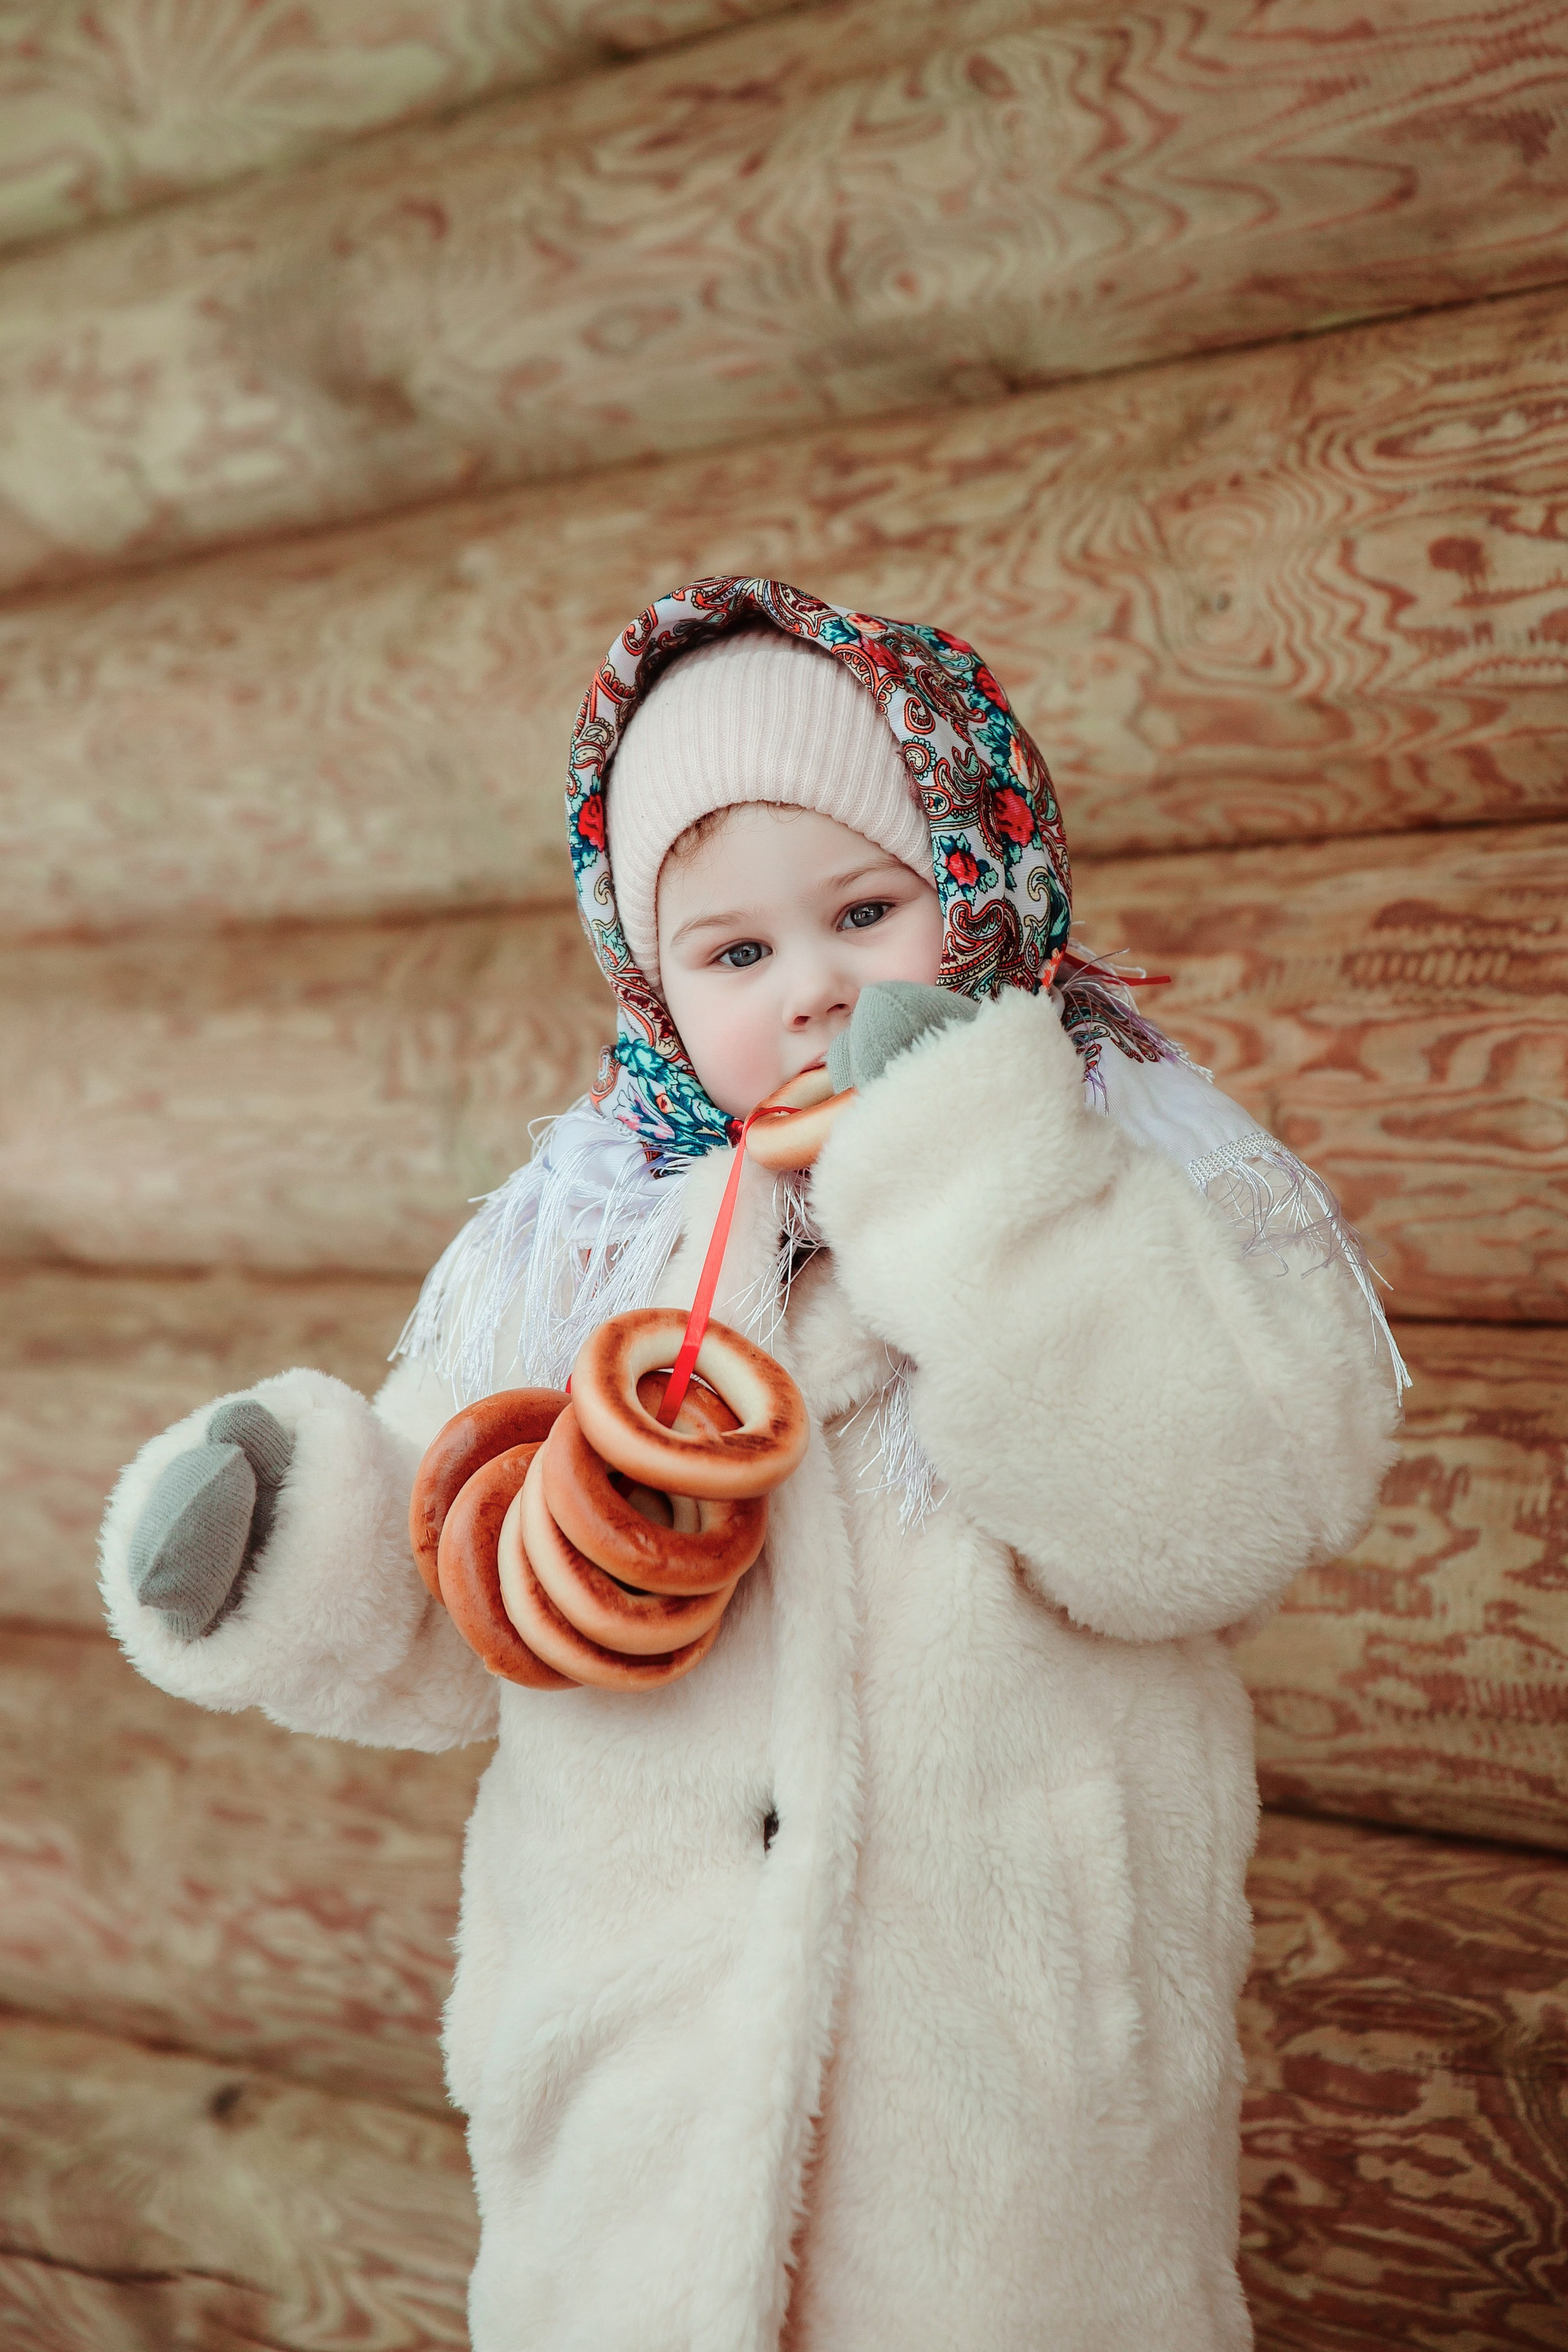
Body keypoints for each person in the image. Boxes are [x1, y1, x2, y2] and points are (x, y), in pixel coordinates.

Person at [100, 578, 1403, 2352]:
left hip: (1003, 2090)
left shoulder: (1118, 1191)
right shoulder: (590, 1249)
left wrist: (966, 1177)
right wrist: (292, 1542)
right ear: (653, 974)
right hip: (639, 2067)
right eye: (734, 952)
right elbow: (467, 1558)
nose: (807, 993)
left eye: (865, 912)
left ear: (981, 888)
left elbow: (1197, 1519)